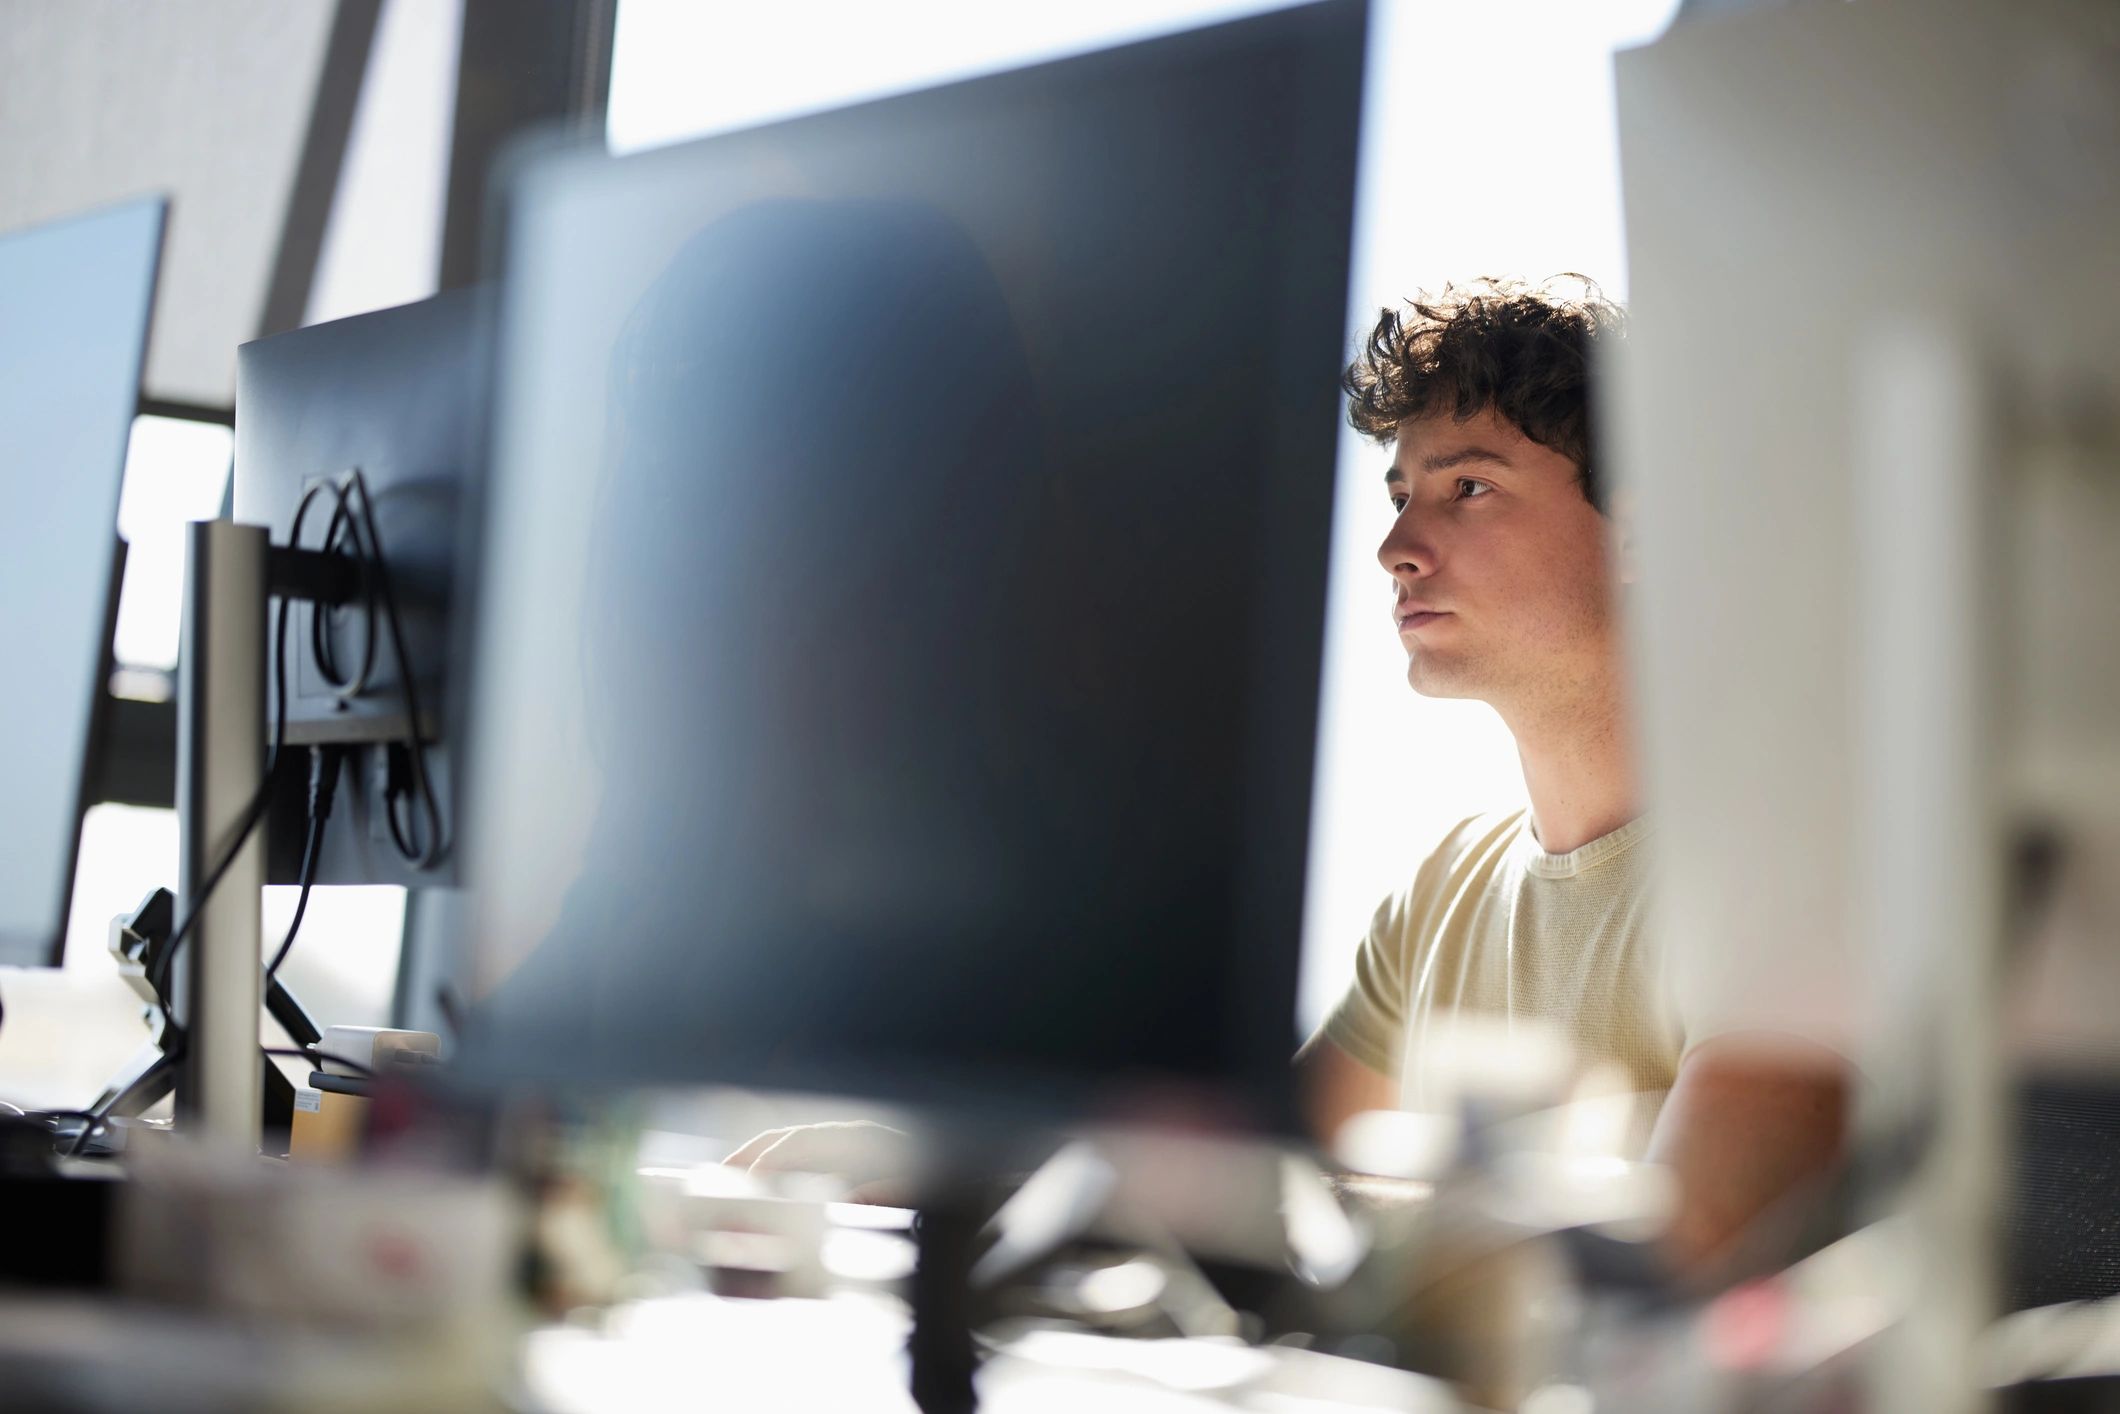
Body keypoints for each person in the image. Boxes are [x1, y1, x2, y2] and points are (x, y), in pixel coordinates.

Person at [1295, 276, 1847, 1271]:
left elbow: (1668, 1268)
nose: (1394, 549)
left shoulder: (1778, 883)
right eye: (1398, 497)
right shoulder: (1437, 890)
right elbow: (1251, 1190)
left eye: (1467, 488)